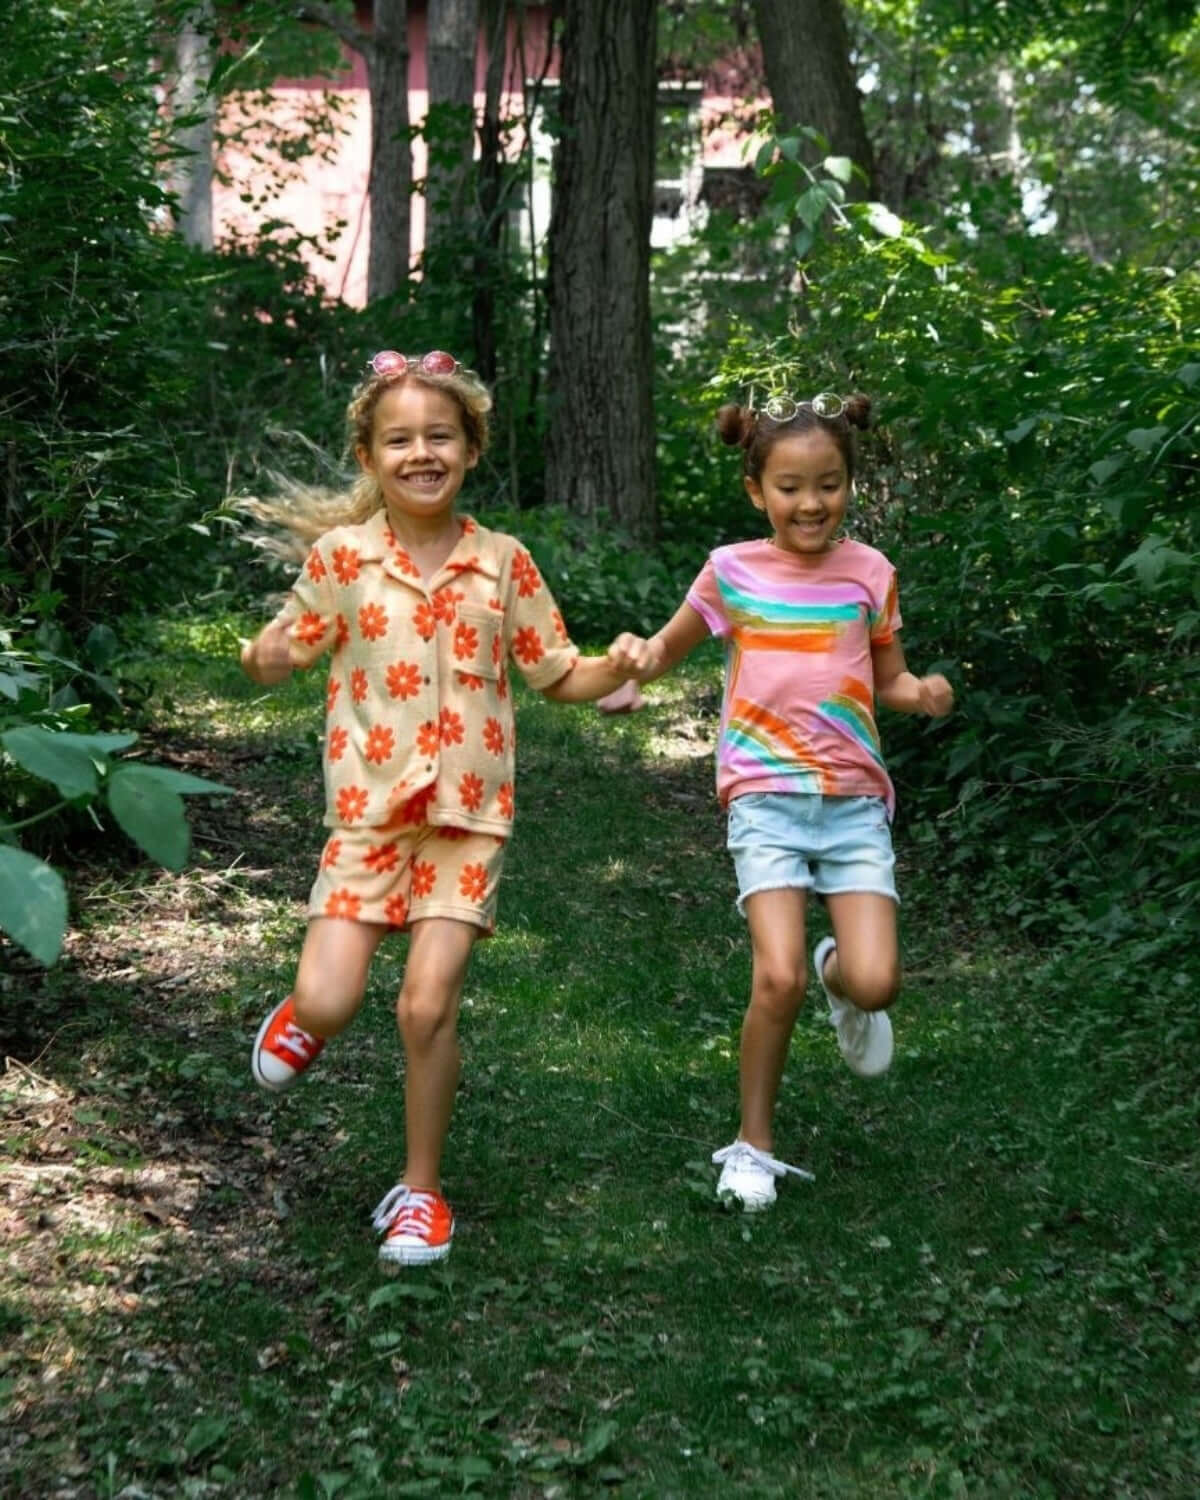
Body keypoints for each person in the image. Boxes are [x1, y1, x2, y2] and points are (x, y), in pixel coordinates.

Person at [239, 349, 631, 1268]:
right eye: (400, 439)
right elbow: (285, 652)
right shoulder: (343, 559)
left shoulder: (504, 563)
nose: (422, 452)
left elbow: (556, 671)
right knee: (330, 997)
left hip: (468, 819)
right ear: (371, 457)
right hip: (368, 818)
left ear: (471, 447)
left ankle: (422, 1194)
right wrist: (262, 658)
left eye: (440, 436)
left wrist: (620, 668)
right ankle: (304, 1015)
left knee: (425, 1007)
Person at [606, 389, 954, 1211]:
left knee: (876, 983)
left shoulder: (871, 572)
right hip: (764, 794)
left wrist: (921, 693)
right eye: (791, 487)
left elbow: (887, 674)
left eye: (828, 484)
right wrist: (629, 666)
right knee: (777, 977)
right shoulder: (732, 571)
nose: (811, 502)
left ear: (848, 485)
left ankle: (844, 978)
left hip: (853, 801)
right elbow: (664, 649)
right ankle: (752, 1145)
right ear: (757, 491)